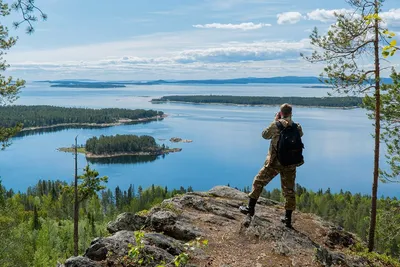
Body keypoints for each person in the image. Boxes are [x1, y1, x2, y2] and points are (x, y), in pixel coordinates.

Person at [239, 103, 304, 228]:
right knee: (289, 190)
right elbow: (300, 135)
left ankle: (250, 208)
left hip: (274, 163)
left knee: (258, 181)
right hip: (290, 164)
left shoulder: (276, 125)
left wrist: (275, 120)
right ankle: (287, 219)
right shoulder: (297, 127)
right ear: (291, 113)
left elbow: (264, 135)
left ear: (280, 113)